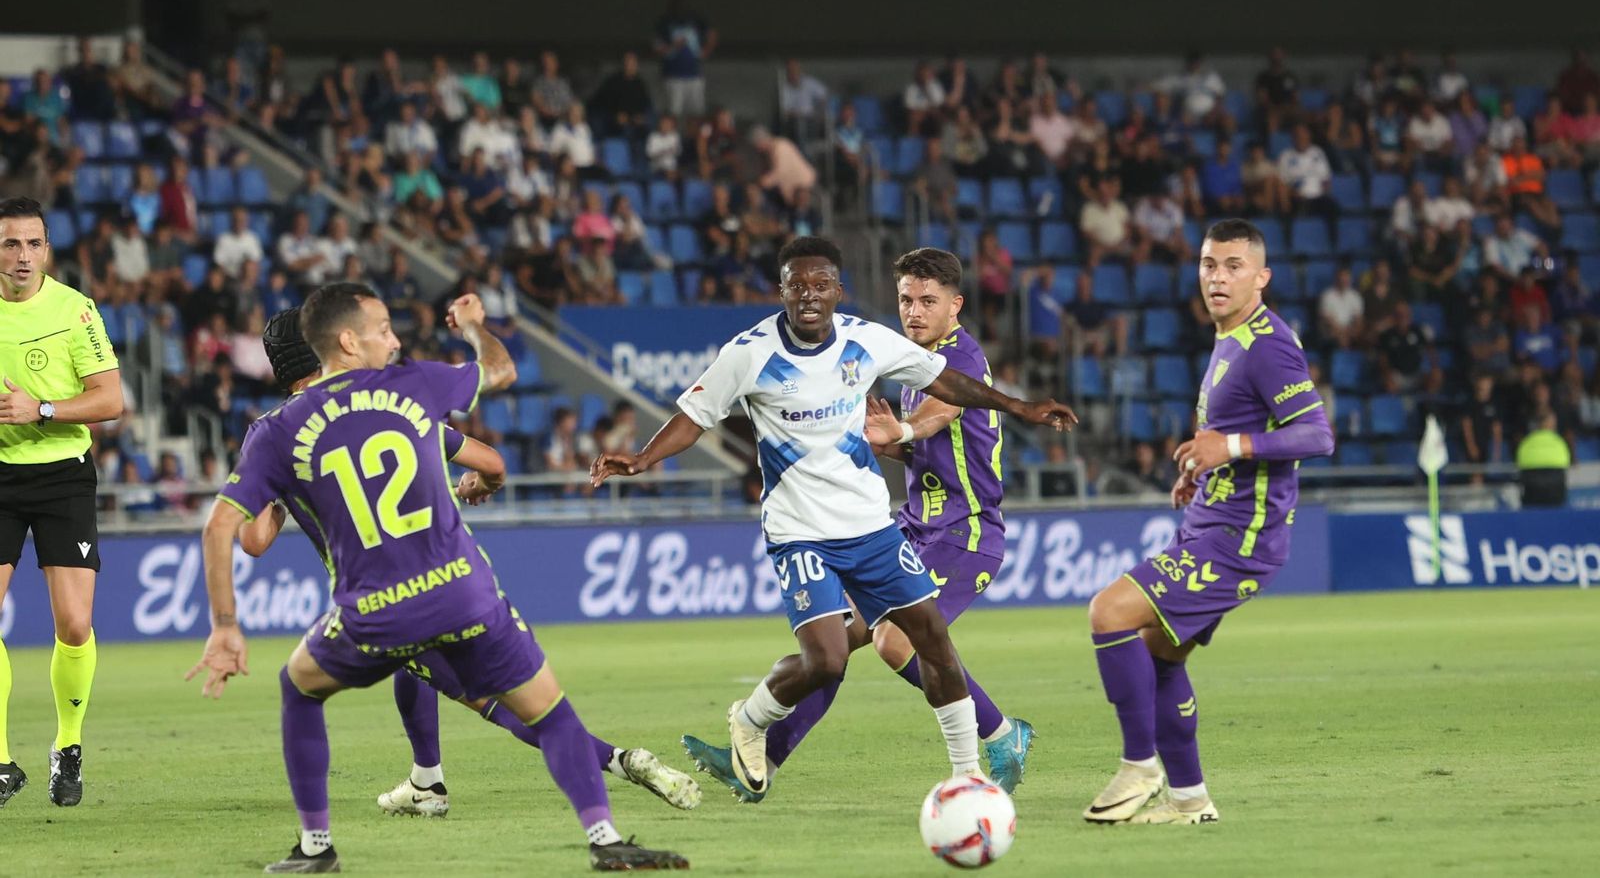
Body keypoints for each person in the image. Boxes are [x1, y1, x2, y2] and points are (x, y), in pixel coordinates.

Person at [185, 284, 686, 872]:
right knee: (547, 712)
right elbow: (499, 375)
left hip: (374, 607)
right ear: (347, 340)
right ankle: (604, 840)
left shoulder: (277, 431)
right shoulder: (411, 387)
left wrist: (225, 626)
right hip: (462, 590)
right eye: (383, 328)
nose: (394, 339)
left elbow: (232, 532)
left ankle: (318, 847)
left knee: (300, 687)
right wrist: (474, 325)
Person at [591, 237, 1076, 804]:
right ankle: (762, 744)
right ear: (783, 291)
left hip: (958, 529)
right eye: (906, 299)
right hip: (871, 527)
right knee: (834, 652)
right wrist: (644, 458)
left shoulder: (924, 349)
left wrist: (991, 412)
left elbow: (948, 399)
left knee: (901, 640)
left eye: (926, 300)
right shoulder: (755, 353)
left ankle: (988, 746)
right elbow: (695, 413)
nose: (914, 311)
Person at [1082, 218, 1334, 825]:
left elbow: (1317, 434)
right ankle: (1190, 801)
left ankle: (1139, 765)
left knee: (1109, 613)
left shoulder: (1267, 344)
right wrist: (1204, 467)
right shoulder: (1231, 336)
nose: (1217, 278)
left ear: (1261, 277)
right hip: (1210, 517)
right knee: (1160, 652)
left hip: (1240, 538)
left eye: (1233, 267)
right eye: (1208, 265)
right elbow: (1234, 434)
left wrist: (1233, 449)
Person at [0, 197, 125, 808]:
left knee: (74, 625)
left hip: (62, 476)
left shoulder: (76, 311)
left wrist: (41, 409)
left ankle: (67, 746)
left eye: (32, 244)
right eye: (9, 244)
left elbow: (110, 400)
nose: (22, 256)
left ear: (47, 250)